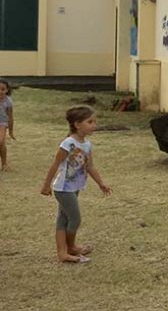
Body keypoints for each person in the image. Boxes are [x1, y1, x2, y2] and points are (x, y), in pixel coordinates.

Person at [40, 106, 112, 263]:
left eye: (95, 121)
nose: (94, 125)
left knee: (63, 219)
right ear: (77, 124)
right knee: (75, 218)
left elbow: (90, 166)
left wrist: (101, 183)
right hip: (63, 189)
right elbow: (55, 165)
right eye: (90, 122)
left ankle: (62, 253)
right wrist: (46, 185)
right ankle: (71, 247)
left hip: (75, 187)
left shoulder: (87, 144)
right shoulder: (68, 143)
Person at [0, 78, 14, 171]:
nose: (0, 92)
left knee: (0, 142)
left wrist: (11, 131)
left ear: (7, 90)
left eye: (3, 89)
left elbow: (10, 117)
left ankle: (4, 164)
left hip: (2, 123)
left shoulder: (8, 101)